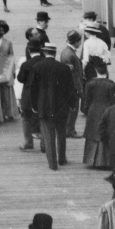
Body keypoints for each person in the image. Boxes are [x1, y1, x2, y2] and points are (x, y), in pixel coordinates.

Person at [27, 43, 76, 171]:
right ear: (55, 53)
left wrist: (34, 106)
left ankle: (52, 164)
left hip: (44, 106)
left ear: (43, 52)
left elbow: (33, 89)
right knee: (61, 133)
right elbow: (70, 88)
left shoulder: (37, 67)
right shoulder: (64, 68)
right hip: (62, 106)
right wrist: (72, 104)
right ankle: (62, 159)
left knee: (48, 135)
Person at [81, 57, 115, 168]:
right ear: (106, 71)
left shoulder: (90, 84)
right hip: (107, 110)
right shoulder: (111, 84)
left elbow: (86, 101)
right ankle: (105, 161)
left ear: (96, 71)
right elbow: (113, 100)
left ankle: (91, 160)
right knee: (106, 133)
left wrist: (87, 110)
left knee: (93, 133)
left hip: (93, 110)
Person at [60, 29, 84, 139]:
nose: (80, 43)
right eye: (79, 41)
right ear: (76, 42)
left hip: (66, 86)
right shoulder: (71, 55)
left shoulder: (66, 51)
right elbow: (74, 75)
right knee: (73, 109)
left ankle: (67, 129)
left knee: (70, 109)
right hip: (72, 86)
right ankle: (70, 130)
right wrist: (79, 88)